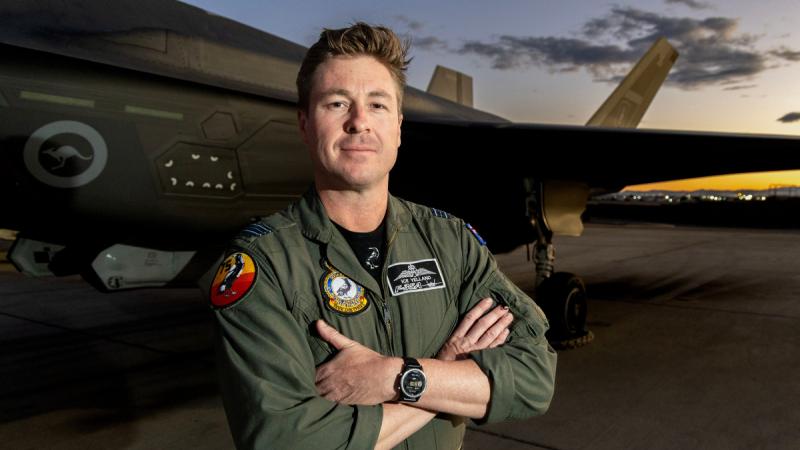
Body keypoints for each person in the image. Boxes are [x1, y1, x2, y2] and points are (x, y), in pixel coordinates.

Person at [209, 22, 557, 450]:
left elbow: (534, 377)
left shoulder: (451, 242)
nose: (359, 122)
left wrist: (394, 376)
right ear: (304, 124)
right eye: (337, 103)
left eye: (377, 105)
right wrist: (440, 374)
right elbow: (287, 440)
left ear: (398, 127)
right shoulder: (264, 263)